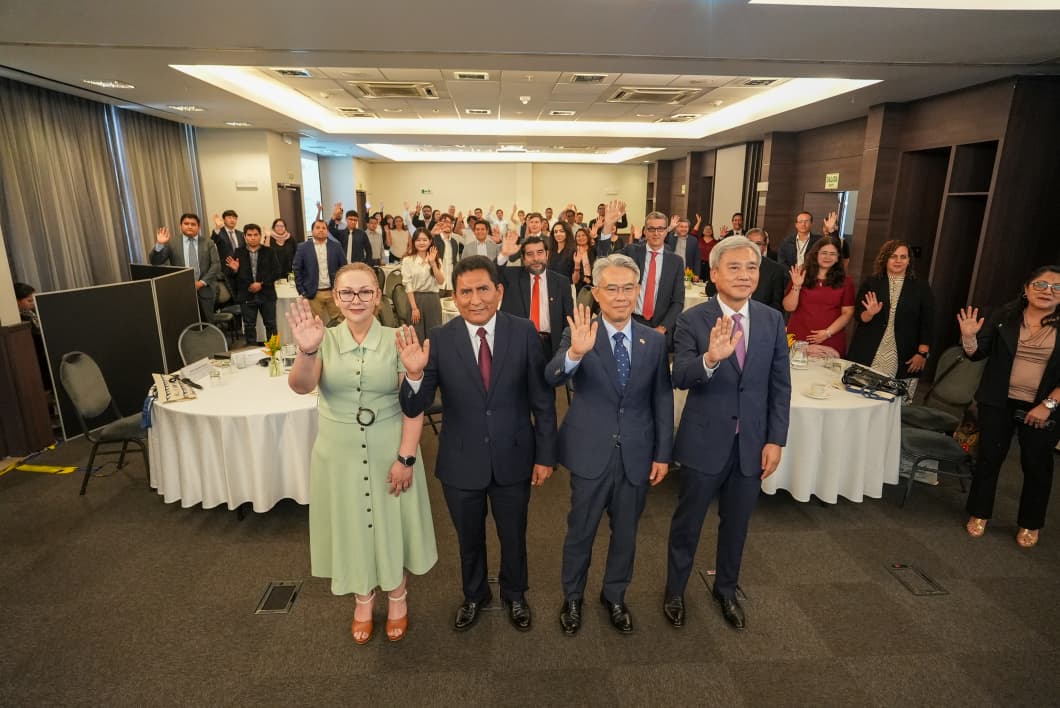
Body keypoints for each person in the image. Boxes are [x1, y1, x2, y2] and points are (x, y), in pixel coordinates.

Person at [396, 256, 557, 633]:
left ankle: (515, 594)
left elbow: (542, 401)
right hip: (460, 459)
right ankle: (474, 594)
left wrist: (546, 454)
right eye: (465, 291)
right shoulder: (440, 337)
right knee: (468, 538)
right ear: (455, 295)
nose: (475, 299)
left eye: (483, 289)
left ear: (499, 292)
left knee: (513, 535)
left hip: (514, 456)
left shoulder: (524, 332)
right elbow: (415, 405)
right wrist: (415, 375)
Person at [287, 263, 437, 644]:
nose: (357, 300)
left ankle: (398, 598)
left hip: (390, 445)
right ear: (335, 298)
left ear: (378, 296)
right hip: (338, 455)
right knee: (351, 525)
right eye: (348, 293)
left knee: (390, 523)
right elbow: (301, 386)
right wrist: (306, 349)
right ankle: (362, 600)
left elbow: (413, 406)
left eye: (365, 292)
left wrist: (406, 457)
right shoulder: (323, 338)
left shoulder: (398, 336)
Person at [664, 236, 791, 630]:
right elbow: (681, 376)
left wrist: (776, 439)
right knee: (688, 523)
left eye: (751, 268)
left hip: (752, 444)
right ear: (714, 273)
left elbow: (779, 386)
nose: (744, 275)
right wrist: (710, 359)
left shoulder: (771, 320)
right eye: (734, 267)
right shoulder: (693, 319)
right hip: (704, 441)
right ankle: (674, 591)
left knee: (737, 525)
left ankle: (726, 590)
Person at [545, 255, 673, 635]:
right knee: (580, 530)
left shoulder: (653, 341)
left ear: (638, 292)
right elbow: (550, 376)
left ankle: (614, 596)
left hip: (636, 452)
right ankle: (573, 597)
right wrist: (575, 354)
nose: (620, 297)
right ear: (596, 294)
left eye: (628, 288)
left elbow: (662, 400)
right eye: (611, 289)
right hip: (590, 453)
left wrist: (663, 453)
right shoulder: (580, 332)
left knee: (627, 534)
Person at [959, 266, 1060, 548]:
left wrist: (1048, 405)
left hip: (1044, 406)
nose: (1047, 291)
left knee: (1036, 464)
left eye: (1056, 287)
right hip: (997, 401)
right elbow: (978, 353)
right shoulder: (1004, 317)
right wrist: (969, 337)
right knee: (990, 457)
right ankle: (979, 513)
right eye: (1041, 284)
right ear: (1026, 289)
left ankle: (1030, 522)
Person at [847, 240, 934, 395]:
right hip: (870, 349)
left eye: (903, 257)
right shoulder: (871, 282)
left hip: (904, 353)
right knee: (860, 395)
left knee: (894, 400)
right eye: (893, 256)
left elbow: (927, 322)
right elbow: (859, 316)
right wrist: (870, 313)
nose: (898, 261)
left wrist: (922, 353)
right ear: (885, 259)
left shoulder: (921, 287)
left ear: (909, 261)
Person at [597, 201, 685, 348]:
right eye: (651, 229)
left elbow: (678, 302)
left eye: (660, 229)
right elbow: (604, 260)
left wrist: (662, 328)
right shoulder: (632, 252)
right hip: (631, 322)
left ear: (666, 231)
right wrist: (607, 227)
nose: (656, 233)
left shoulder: (675, 262)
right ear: (645, 231)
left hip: (661, 327)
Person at [496, 233, 575, 359]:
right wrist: (504, 255)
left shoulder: (561, 282)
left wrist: (565, 348)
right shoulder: (511, 277)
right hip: (518, 346)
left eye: (540, 252)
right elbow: (491, 275)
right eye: (530, 254)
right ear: (523, 258)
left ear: (547, 254)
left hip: (552, 346)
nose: (536, 258)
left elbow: (569, 319)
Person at [783, 236, 855, 356]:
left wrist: (827, 333)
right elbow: (789, 307)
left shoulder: (846, 281)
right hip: (799, 337)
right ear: (816, 255)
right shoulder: (800, 275)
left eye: (832, 254)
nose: (827, 257)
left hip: (830, 339)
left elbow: (848, 313)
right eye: (824, 253)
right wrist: (796, 286)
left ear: (838, 258)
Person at [149, 213, 221, 322]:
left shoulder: (208, 242)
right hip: (181, 291)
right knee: (185, 323)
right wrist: (159, 244)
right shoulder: (172, 243)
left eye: (193, 224)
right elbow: (155, 261)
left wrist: (201, 282)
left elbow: (216, 265)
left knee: (208, 324)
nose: (190, 226)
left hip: (205, 291)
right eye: (186, 223)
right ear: (180, 225)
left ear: (199, 227)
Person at [226, 223, 281, 345]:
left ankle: (274, 352)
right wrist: (234, 270)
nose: (253, 237)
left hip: (267, 295)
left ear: (260, 236)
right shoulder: (238, 252)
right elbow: (230, 276)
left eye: (256, 234)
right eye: (249, 235)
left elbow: (277, 272)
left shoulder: (269, 251)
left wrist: (261, 284)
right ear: (245, 237)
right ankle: (251, 351)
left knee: (271, 324)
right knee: (249, 326)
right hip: (247, 295)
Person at [293, 219, 346, 323]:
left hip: (333, 292)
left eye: (323, 228)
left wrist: (342, 288)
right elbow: (297, 268)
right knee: (315, 324)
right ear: (312, 230)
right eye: (318, 228)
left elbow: (344, 267)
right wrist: (302, 290)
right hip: (313, 293)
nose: (321, 230)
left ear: (327, 231)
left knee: (340, 322)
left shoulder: (336, 246)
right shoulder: (303, 247)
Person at [401, 228, 445, 342]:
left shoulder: (436, 260)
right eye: (418, 240)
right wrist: (414, 308)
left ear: (430, 241)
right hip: (415, 299)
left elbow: (441, 281)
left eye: (424, 240)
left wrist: (433, 263)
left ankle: (433, 359)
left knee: (434, 334)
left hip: (433, 300)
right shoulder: (407, 260)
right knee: (416, 334)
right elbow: (408, 285)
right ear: (414, 242)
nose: (421, 243)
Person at [776, 211, 845, 270]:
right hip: (790, 277)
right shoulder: (787, 241)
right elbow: (781, 262)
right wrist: (792, 273)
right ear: (796, 225)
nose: (803, 224)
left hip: (811, 277)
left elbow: (835, 247)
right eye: (800, 221)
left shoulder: (819, 240)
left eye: (806, 221)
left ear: (811, 223)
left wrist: (831, 230)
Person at [14, 282, 51, 391]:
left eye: (34, 299)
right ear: (17, 302)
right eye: (29, 300)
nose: (33, 303)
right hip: (37, 360)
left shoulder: (35, 313)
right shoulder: (21, 319)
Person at [746, 228, 787, 313]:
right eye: (750, 243)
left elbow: (776, 304)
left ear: (764, 247)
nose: (753, 247)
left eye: (758, 244)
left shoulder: (776, 269)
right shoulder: (733, 265)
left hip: (761, 318)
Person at [431, 213, 462, 293]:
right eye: (445, 222)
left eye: (450, 222)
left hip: (450, 285)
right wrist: (432, 234)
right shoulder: (434, 239)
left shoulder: (454, 242)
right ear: (439, 223)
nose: (448, 224)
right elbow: (424, 244)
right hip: (436, 284)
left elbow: (455, 262)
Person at [571, 227, 596, 293]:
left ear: (587, 237)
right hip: (579, 282)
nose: (581, 238)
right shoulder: (573, 252)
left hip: (594, 281)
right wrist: (583, 278)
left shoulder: (593, 249)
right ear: (575, 239)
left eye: (583, 235)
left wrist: (595, 236)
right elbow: (571, 268)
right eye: (578, 236)